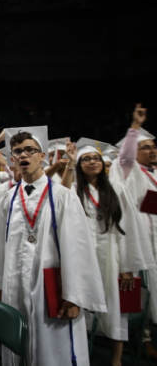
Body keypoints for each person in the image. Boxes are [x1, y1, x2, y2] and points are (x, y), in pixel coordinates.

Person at [0, 126, 106, 366]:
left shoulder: (63, 196)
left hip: (51, 290)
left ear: (42, 156)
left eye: (29, 150)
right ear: (12, 159)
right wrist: (0, 288)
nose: (23, 155)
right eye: (17, 152)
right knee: (18, 348)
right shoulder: (8, 199)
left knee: (54, 351)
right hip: (16, 289)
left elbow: (78, 248)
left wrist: (74, 296)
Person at [61, 138, 154, 366]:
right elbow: (60, 197)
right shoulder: (74, 190)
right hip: (83, 257)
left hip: (111, 255)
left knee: (115, 306)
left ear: (102, 163)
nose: (92, 162)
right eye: (86, 159)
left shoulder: (117, 189)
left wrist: (128, 267)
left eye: (96, 158)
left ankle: (116, 359)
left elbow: (129, 230)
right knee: (81, 304)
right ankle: (81, 353)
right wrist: (69, 164)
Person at [108, 104, 157, 355]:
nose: (152, 151)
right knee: (145, 290)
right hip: (141, 240)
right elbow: (125, 157)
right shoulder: (129, 170)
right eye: (145, 147)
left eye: (153, 146)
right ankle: (146, 337)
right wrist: (135, 127)